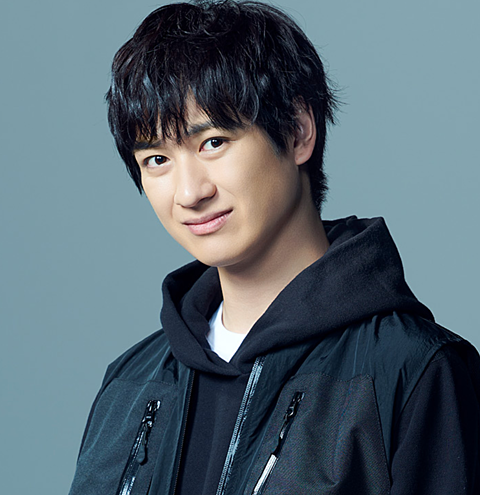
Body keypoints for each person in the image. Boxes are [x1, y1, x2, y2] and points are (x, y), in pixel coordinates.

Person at [69, 1, 480, 494]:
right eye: (157, 159)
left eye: (213, 142)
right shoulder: (128, 386)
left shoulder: (414, 371)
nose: (189, 193)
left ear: (299, 130)